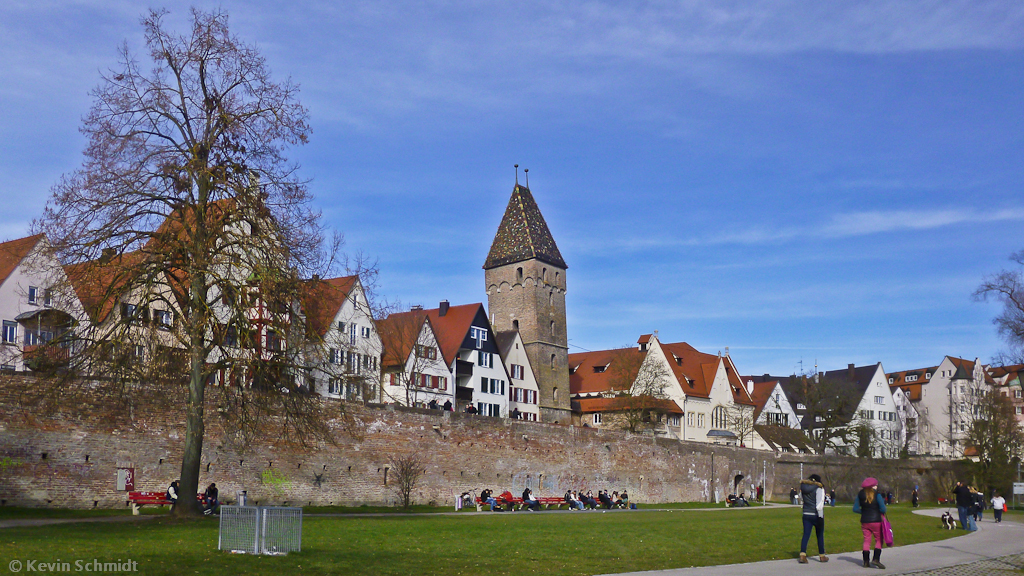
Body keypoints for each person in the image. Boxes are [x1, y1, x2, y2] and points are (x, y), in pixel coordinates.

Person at [853, 477, 888, 569]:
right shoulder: (877, 495)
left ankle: (865, 561)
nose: (877, 487)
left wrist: (864, 512)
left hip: (865, 521)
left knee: (867, 540)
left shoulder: (860, 495)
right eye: (876, 485)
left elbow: (855, 509)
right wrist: (877, 511)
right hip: (876, 520)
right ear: (873, 486)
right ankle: (876, 559)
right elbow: (883, 509)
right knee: (879, 540)